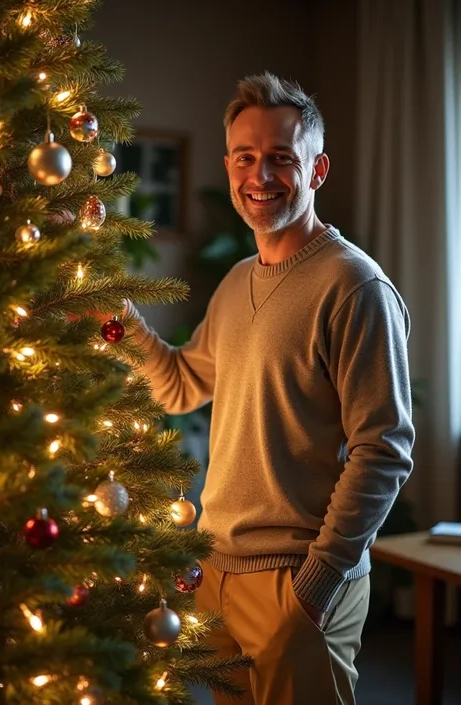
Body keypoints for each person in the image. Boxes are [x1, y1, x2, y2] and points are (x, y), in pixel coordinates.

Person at [124, 72, 415, 705]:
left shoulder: (355, 286)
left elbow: (384, 448)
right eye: (247, 158)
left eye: (281, 158)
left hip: (299, 584)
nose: (261, 175)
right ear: (229, 166)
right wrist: (114, 319)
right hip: (219, 576)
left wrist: (314, 585)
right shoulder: (235, 282)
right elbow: (178, 386)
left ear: (317, 169)